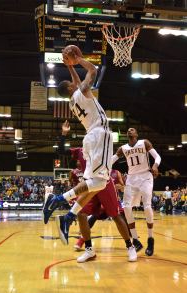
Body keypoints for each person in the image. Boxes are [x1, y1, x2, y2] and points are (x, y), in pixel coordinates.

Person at [43, 48, 113, 245]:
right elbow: (93, 70)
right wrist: (79, 59)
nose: (75, 82)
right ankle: (58, 199)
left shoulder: (73, 101)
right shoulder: (81, 91)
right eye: (73, 82)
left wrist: (70, 66)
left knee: (92, 188)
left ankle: (68, 217)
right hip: (100, 135)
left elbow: (74, 83)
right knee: (100, 184)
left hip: (90, 138)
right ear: (71, 88)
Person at [54, 121, 136, 262]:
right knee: (81, 214)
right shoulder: (80, 151)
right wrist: (64, 134)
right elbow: (60, 151)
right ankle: (89, 250)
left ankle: (130, 246)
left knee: (116, 215)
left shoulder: (102, 149)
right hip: (90, 185)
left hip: (104, 183)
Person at [112, 128, 161, 256]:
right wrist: (102, 166)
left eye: (132, 129)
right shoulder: (123, 148)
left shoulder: (144, 143)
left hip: (145, 176)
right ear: (127, 135)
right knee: (126, 207)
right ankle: (135, 239)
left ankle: (150, 239)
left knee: (147, 206)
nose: (130, 129)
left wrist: (155, 165)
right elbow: (111, 160)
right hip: (131, 178)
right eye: (128, 130)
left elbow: (157, 156)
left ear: (136, 134)